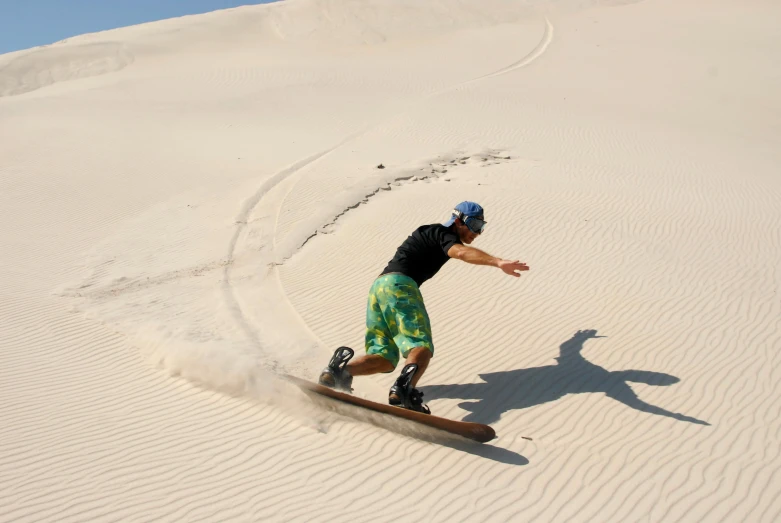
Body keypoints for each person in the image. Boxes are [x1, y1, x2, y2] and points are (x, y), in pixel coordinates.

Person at [318, 201, 529, 414]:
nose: (477, 232)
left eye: (481, 227)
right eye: (473, 225)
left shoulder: (430, 232)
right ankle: (404, 390)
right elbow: (462, 253)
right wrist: (498, 262)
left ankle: (339, 372)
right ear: (457, 220)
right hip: (401, 286)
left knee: (384, 358)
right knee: (421, 345)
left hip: (378, 289)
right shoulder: (442, 233)